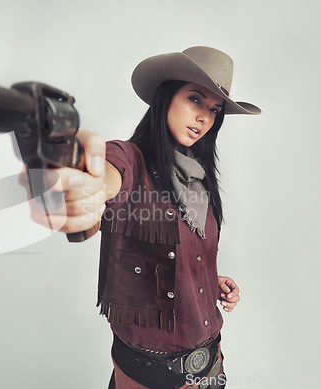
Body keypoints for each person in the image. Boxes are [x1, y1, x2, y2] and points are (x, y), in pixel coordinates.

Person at [30, 46, 260, 388]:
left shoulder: (199, 177)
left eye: (213, 110)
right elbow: (104, 175)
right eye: (195, 99)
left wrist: (209, 280)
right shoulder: (128, 159)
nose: (204, 118)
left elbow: (182, 251)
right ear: (165, 96)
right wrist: (82, 185)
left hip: (210, 366)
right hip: (148, 377)